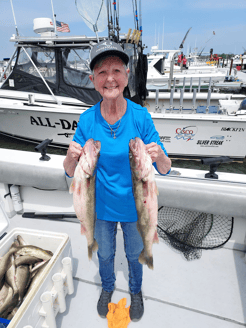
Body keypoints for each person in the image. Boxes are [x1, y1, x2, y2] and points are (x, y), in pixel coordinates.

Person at [63, 40, 171, 322]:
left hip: (137, 209)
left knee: (136, 253)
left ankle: (136, 290)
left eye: (116, 70)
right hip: (100, 209)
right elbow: (68, 171)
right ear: (92, 80)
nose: (109, 78)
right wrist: (70, 158)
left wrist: (159, 156)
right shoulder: (87, 120)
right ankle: (107, 287)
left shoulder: (141, 116)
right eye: (101, 72)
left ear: (126, 75)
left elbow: (166, 168)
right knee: (106, 254)